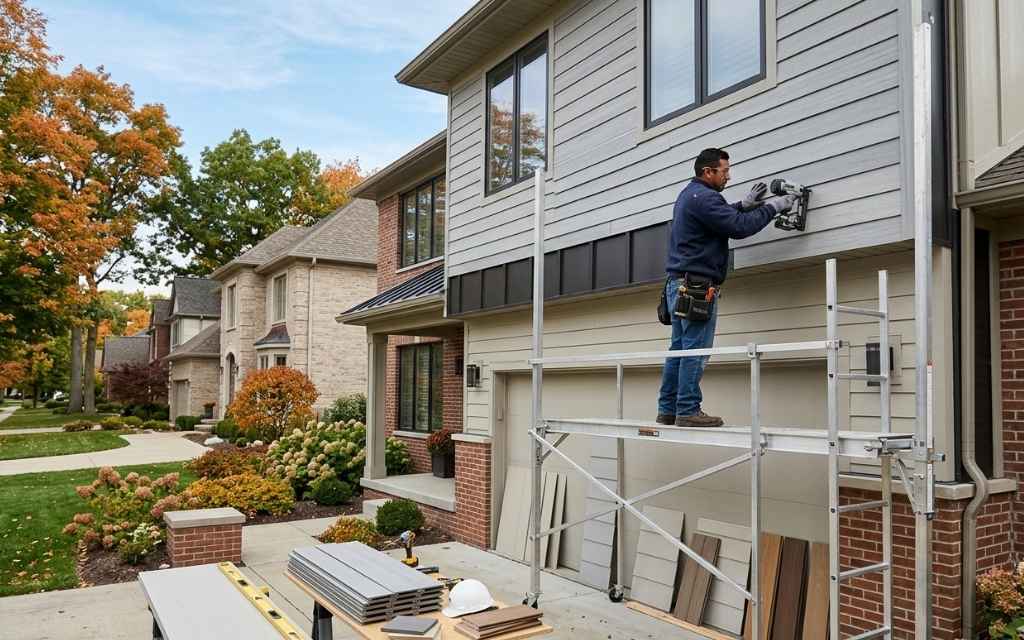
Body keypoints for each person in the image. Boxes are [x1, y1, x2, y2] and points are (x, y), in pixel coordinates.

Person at [657, 148, 797, 428]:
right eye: (725, 171)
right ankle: (687, 410)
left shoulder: (690, 195)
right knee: (695, 350)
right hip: (696, 287)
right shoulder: (705, 197)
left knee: (680, 350)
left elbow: (718, 218)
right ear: (708, 172)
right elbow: (738, 228)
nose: (728, 176)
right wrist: (774, 207)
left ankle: (668, 409)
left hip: (680, 285)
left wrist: (743, 205)